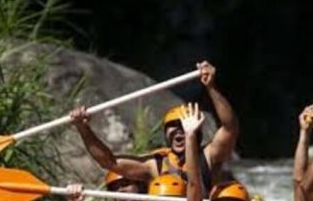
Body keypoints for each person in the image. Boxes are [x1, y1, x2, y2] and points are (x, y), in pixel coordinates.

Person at [68, 61, 239, 192]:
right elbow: (109, 162)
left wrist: (211, 87)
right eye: (173, 127)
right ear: (166, 135)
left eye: (183, 125)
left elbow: (229, 127)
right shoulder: (155, 165)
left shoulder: (210, 156)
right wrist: (84, 129)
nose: (180, 130)